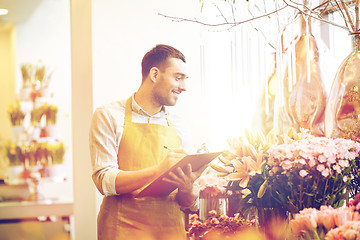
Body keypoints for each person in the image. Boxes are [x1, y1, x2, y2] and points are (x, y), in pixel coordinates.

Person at [89, 44, 205, 240]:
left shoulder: (179, 124)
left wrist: (188, 189)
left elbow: (188, 203)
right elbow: (105, 181)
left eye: (185, 79)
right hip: (121, 231)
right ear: (154, 75)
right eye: (178, 78)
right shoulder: (108, 115)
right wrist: (157, 171)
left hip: (170, 232)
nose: (184, 87)